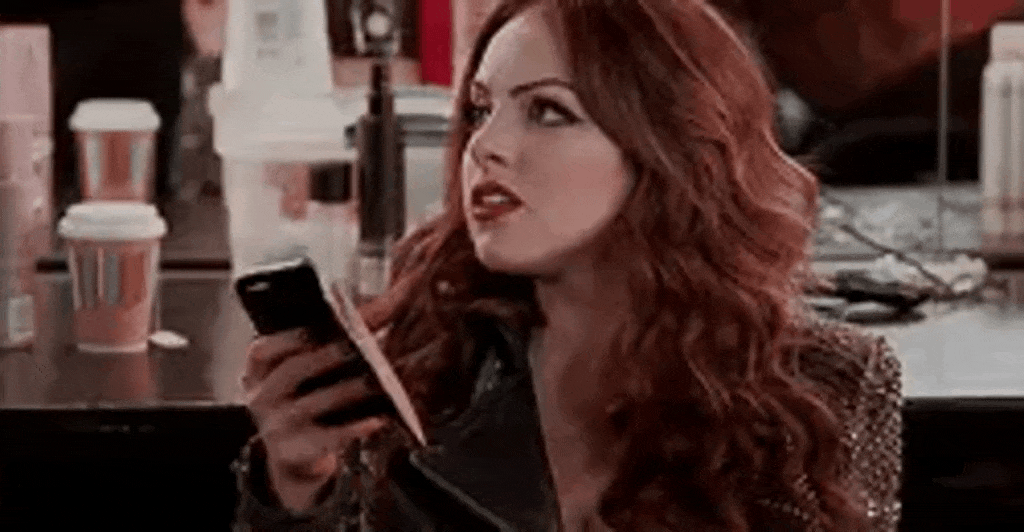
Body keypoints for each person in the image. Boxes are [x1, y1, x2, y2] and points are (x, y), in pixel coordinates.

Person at [230, 0, 904, 530]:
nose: (484, 146)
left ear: (663, 146)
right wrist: (296, 491)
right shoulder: (423, 369)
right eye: (481, 109)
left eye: (548, 112)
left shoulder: (825, 386)